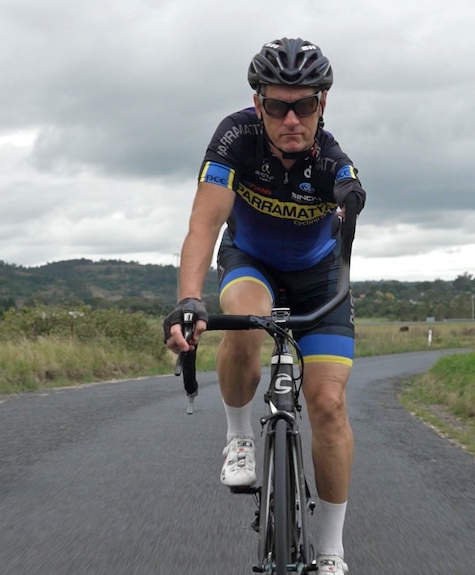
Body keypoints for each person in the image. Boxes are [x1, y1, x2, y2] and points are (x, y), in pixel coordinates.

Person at [163, 38, 365, 575]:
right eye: (278, 106)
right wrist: (188, 300)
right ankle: (238, 439)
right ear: (259, 105)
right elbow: (203, 226)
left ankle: (331, 551)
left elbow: (348, 199)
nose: (292, 118)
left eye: (305, 105)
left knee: (327, 406)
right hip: (251, 261)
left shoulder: (332, 161)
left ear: (324, 103)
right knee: (245, 322)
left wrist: (349, 202)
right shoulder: (234, 140)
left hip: (319, 281)